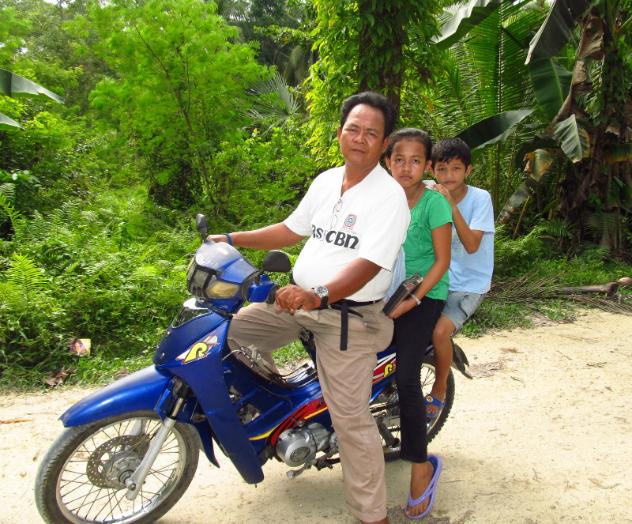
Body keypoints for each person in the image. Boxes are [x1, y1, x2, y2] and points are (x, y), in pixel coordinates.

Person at [208, 92, 410, 524]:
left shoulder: (389, 197)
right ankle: (281, 416)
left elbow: (369, 265)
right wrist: (232, 239)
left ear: (383, 143)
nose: (359, 138)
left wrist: (318, 294)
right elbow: (289, 230)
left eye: (371, 133)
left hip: (349, 319)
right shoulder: (326, 181)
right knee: (232, 333)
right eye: (353, 129)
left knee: (351, 419)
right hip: (300, 303)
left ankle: (373, 515)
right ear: (340, 133)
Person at [383, 128, 452, 519]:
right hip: (385, 290)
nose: (406, 168)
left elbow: (442, 261)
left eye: (415, 161)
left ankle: (420, 465)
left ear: (426, 166)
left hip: (426, 292)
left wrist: (414, 300)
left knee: (407, 375)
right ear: (387, 162)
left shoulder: (433, 203)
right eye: (399, 159)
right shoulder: (382, 199)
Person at [427, 137, 495, 417]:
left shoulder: (480, 199)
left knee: (439, 332)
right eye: (442, 169)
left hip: (469, 284)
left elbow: (472, 245)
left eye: (456, 169)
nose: (449, 176)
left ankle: (439, 388)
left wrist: (451, 205)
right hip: (437, 277)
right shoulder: (427, 193)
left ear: (468, 170)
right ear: (431, 169)